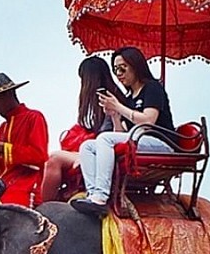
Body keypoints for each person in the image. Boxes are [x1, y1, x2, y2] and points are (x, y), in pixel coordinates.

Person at [70, 46, 175, 218]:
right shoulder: (129, 97)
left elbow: (148, 120)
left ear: (135, 66)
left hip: (161, 143)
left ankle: (101, 197)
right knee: (88, 146)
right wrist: (115, 116)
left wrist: (118, 106)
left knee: (104, 138)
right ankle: (93, 192)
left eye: (122, 68)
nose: (119, 74)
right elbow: (121, 134)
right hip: (139, 141)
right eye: (115, 69)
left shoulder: (153, 88)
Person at [40, 56, 124, 203]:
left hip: (102, 150)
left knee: (54, 159)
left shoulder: (110, 99)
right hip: (97, 148)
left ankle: (44, 206)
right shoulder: (109, 97)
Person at [0, 72, 49, 207]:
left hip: (25, 190)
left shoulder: (34, 117)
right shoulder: (2, 128)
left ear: (8, 95)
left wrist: (2, 148)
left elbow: (39, 156)